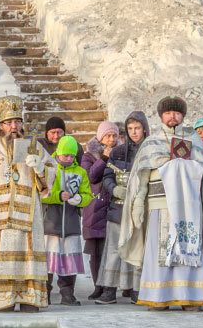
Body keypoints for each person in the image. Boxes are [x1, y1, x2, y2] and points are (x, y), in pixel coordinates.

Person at [119, 96, 203, 310]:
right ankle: (159, 297)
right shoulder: (152, 142)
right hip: (159, 206)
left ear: (183, 116)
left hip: (189, 207)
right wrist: (138, 202)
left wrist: (187, 166)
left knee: (189, 247)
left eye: (176, 113)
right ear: (161, 116)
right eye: (168, 113)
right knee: (160, 250)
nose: (172, 117)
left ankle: (191, 298)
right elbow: (141, 175)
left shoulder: (194, 140)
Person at [0, 95, 56, 311]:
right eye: (8, 122)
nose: (13, 126)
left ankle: (29, 299)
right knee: (2, 259)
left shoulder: (34, 146)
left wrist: (40, 169)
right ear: (1, 125)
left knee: (28, 258)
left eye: (17, 121)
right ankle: (2, 299)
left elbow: (51, 173)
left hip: (29, 215)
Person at [96, 111, 147, 304]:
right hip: (117, 208)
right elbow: (107, 175)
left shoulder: (150, 151)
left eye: (138, 128)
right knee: (113, 250)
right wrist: (114, 189)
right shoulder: (117, 152)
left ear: (144, 129)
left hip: (140, 208)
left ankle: (137, 289)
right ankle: (109, 290)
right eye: (131, 129)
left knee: (137, 249)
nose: (134, 132)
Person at [40, 135, 93, 306]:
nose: (69, 159)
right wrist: (58, 196)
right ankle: (44, 292)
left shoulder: (80, 172)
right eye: (65, 156)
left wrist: (80, 199)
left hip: (70, 223)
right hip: (51, 222)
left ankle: (67, 293)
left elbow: (88, 194)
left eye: (72, 156)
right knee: (48, 261)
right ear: (58, 153)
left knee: (69, 261)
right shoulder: (50, 169)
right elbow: (43, 193)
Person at [82, 123, 117, 297]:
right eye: (107, 136)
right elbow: (90, 176)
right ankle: (98, 286)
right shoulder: (88, 155)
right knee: (95, 252)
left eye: (114, 136)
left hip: (112, 206)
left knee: (110, 250)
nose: (111, 139)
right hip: (94, 208)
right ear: (100, 137)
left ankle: (111, 287)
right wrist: (103, 158)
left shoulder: (119, 153)